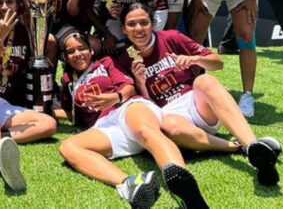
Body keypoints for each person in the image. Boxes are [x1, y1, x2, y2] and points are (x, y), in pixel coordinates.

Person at [115, 3, 282, 188]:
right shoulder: (124, 60)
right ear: (124, 29)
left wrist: (194, 59)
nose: (138, 29)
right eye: (131, 24)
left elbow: (217, 63)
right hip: (169, 115)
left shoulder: (171, 37)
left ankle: (251, 144)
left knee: (204, 81)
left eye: (144, 22)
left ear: (152, 24)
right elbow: (143, 109)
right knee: (169, 126)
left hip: (197, 104)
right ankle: (240, 147)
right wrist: (140, 83)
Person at [57, 32, 207, 209]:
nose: (77, 54)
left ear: (91, 50)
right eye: (71, 51)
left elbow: (128, 87)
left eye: (82, 48)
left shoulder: (105, 63)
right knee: (68, 147)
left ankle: (185, 191)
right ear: (66, 57)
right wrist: (49, 114)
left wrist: (115, 97)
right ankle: (130, 183)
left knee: (145, 131)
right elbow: (70, 113)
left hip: (128, 107)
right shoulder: (68, 80)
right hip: (105, 125)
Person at [0, 0, 57, 191]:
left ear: (18, 4)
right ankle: (0, 161)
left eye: (9, 1)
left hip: (5, 104)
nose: (4, 7)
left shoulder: (25, 29)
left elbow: (49, 43)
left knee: (48, 124)